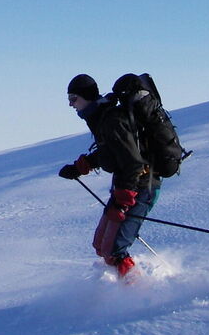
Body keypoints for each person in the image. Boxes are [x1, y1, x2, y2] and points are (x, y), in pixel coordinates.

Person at [58, 73, 161, 280]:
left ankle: (137, 294)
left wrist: (122, 203)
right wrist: (81, 166)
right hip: (127, 188)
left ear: (86, 96)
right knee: (100, 244)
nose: (71, 105)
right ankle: (122, 287)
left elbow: (133, 162)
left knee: (113, 250)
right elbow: (111, 151)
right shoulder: (101, 117)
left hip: (141, 186)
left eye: (73, 99)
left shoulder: (111, 119)